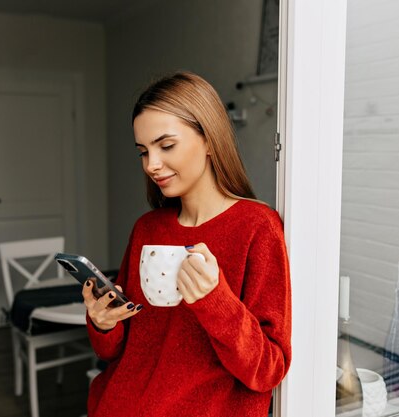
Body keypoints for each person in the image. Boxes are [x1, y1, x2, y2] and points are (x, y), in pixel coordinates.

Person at [82, 71, 291, 417]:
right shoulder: (148, 229)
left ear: (209, 139)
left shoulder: (258, 228)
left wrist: (215, 300)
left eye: (166, 146)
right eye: (143, 152)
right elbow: (117, 351)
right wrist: (104, 323)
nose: (152, 165)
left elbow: (268, 369)